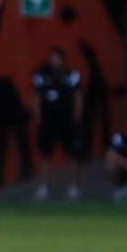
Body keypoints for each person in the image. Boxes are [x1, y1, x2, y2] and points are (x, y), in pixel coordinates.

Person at [33, 46, 82, 200]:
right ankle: (43, 188)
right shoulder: (41, 75)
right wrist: (38, 118)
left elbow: (77, 98)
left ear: (62, 59)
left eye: (57, 57)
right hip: (48, 120)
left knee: (72, 155)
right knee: (45, 155)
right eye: (52, 57)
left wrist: (76, 118)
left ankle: (73, 188)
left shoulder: (71, 76)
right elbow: (35, 98)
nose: (54, 60)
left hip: (66, 120)